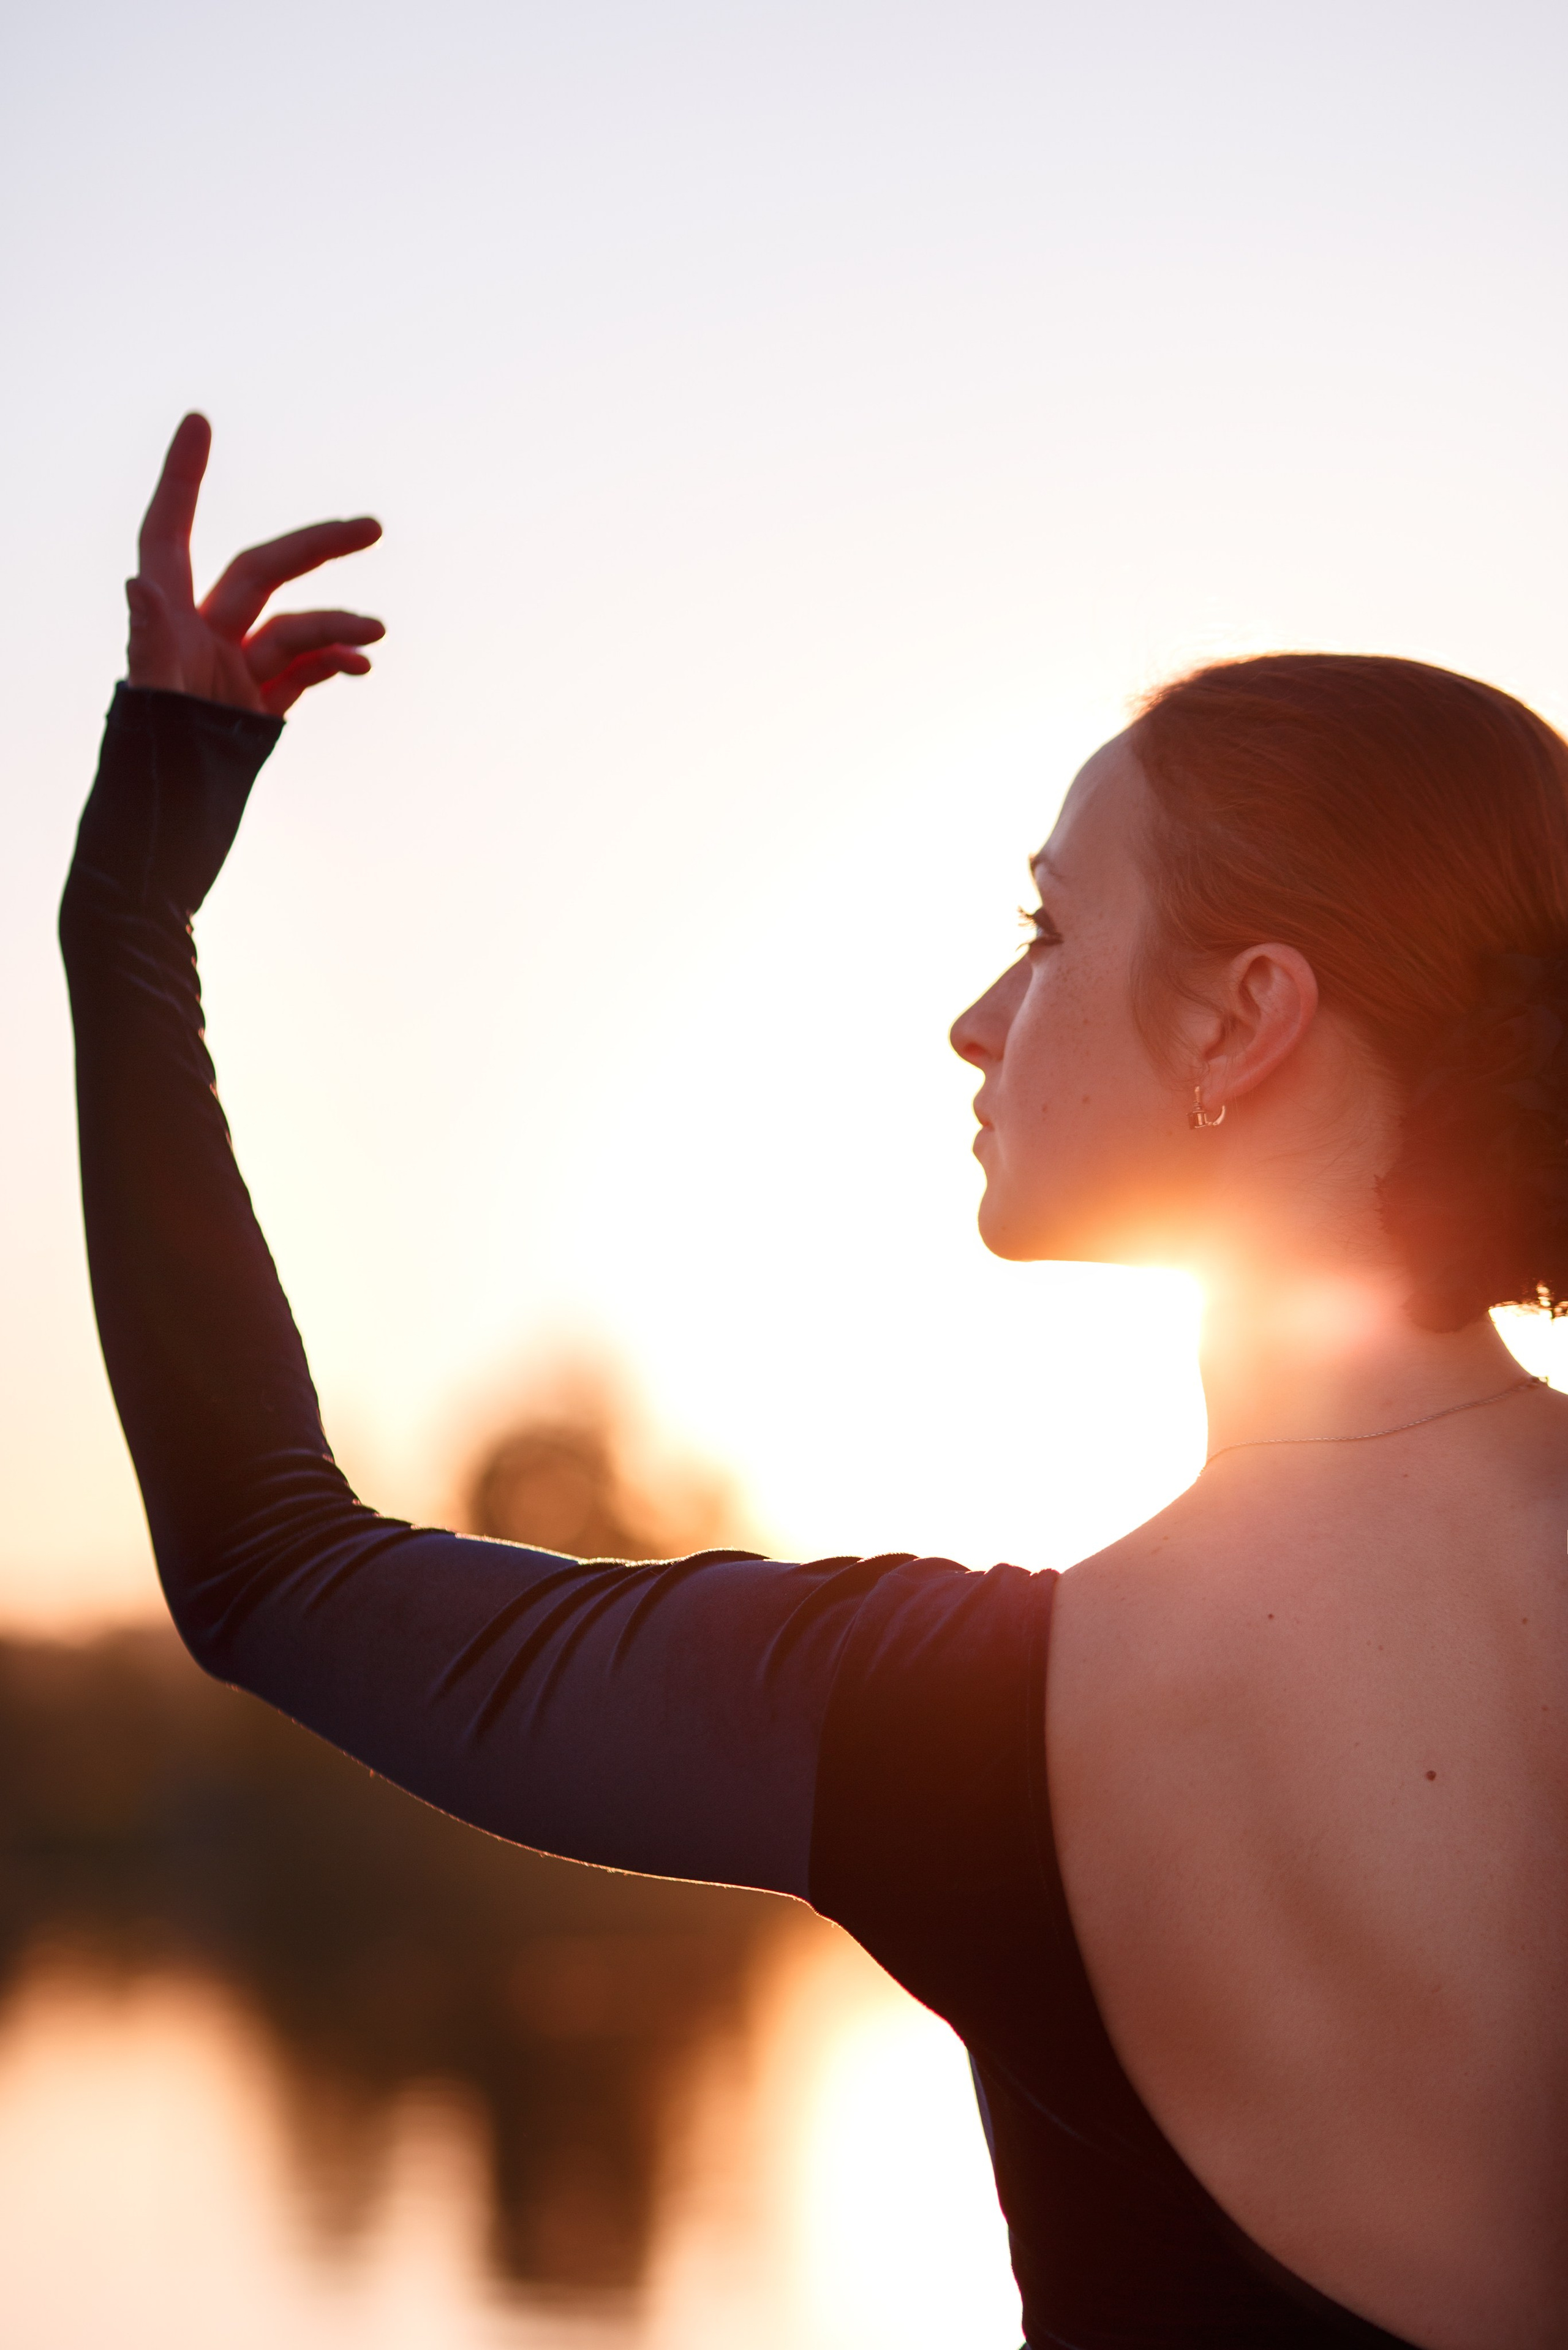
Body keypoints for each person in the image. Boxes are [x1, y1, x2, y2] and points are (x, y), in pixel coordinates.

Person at [59, 414, 1568, 2350]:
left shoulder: (950, 1724)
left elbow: (268, 1566)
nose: (976, 1017)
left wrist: (130, 918)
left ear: (1245, 1015)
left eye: (1047, 929)